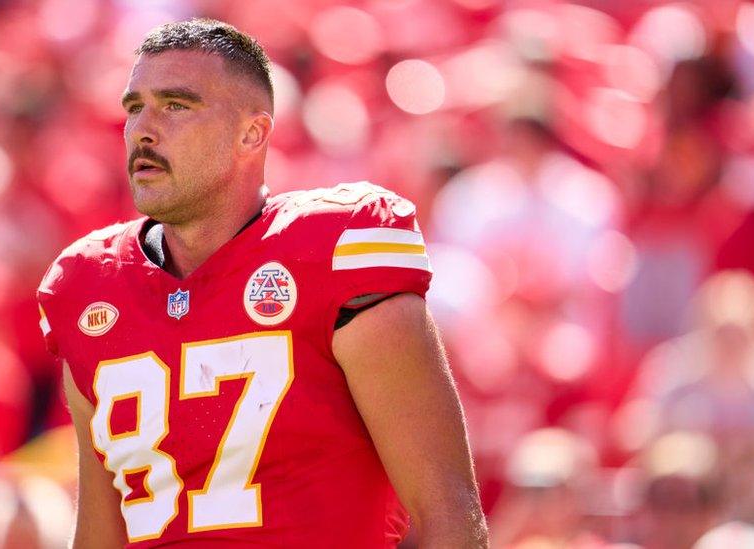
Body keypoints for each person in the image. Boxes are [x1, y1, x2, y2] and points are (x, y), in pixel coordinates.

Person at [37, 18, 487, 548]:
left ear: (252, 132)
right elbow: (98, 535)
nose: (143, 129)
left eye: (176, 105)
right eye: (135, 107)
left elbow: (448, 516)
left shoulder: (336, 250)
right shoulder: (89, 285)